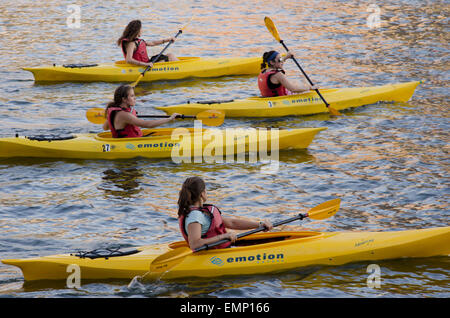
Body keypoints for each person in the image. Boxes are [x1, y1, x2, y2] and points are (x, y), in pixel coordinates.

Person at [178, 176, 273, 250]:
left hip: (220, 250)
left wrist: (259, 225)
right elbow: (195, 244)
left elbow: (232, 223)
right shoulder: (195, 216)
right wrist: (223, 236)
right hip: (213, 254)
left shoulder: (202, 212)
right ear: (202, 194)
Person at [103, 84, 180, 138]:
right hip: (127, 145)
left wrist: (111, 119)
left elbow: (105, 128)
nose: (135, 98)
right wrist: (169, 119)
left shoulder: (116, 110)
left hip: (130, 140)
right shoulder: (124, 115)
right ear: (124, 99)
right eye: (132, 96)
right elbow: (147, 125)